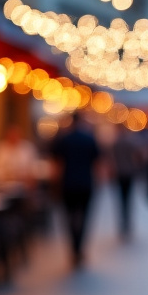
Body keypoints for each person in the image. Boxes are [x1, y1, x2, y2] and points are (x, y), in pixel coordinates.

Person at [51, 115, 100, 269]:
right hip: (86, 183)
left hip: (67, 183)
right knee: (84, 217)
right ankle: (80, 247)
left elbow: (57, 164)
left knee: (68, 217)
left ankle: (74, 247)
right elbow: (97, 163)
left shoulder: (64, 139)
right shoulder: (89, 139)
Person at [110, 129, 145, 241]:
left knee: (121, 199)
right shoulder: (131, 142)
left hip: (119, 173)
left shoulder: (116, 143)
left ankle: (123, 224)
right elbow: (139, 157)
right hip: (129, 173)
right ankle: (127, 224)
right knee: (128, 199)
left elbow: (111, 158)